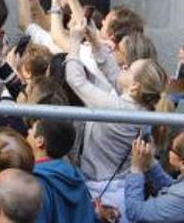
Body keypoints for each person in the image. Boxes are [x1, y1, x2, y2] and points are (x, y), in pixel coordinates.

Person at [62, 13, 170, 214]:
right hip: (114, 186)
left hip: (103, 191)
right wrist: (94, 38)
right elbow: (113, 72)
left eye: (129, 69)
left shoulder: (119, 108)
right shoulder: (137, 104)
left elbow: (76, 80)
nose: (124, 67)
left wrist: (75, 42)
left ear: (136, 86)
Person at [28, 119, 91, 223]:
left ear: (39, 141)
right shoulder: (76, 175)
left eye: (32, 130)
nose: (28, 131)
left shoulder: (37, 180)